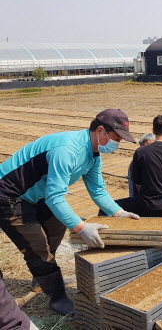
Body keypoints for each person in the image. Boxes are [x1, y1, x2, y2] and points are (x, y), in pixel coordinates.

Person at [0, 109, 140, 315]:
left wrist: (119, 213)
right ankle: (57, 298)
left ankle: (40, 279)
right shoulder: (67, 149)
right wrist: (81, 227)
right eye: (116, 137)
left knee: (54, 232)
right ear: (100, 130)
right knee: (37, 248)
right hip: (10, 195)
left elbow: (97, 189)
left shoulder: (93, 154)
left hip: (39, 195)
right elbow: (55, 196)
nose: (117, 143)